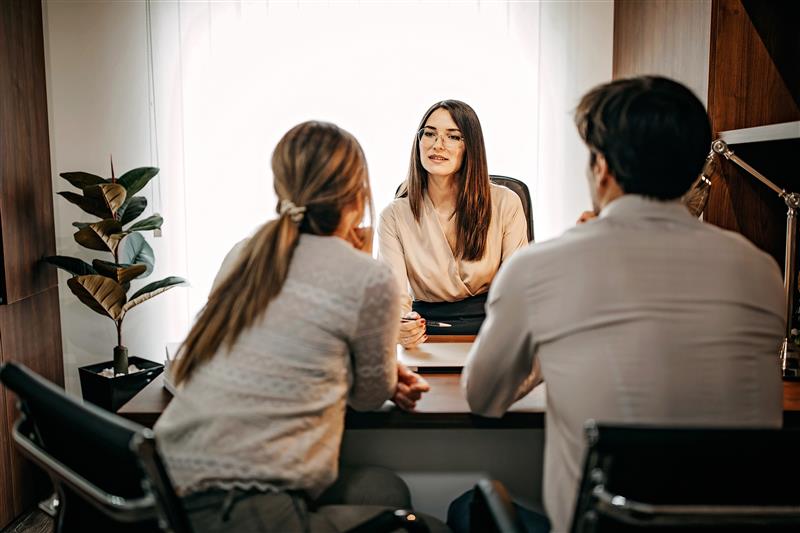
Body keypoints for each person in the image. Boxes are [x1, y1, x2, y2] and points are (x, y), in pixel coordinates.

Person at [455, 76, 785, 533]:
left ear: (602, 168)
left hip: (600, 525)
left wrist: (548, 352)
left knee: (466, 507)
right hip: (729, 523)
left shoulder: (540, 267)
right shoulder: (762, 271)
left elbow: (484, 398)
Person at [154, 121, 444, 532]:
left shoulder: (249, 251)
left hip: (168, 486)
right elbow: (368, 398)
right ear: (357, 191)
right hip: (243, 506)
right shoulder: (366, 276)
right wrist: (380, 373)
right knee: (432, 527)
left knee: (383, 491)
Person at [379, 100, 529, 346]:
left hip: (493, 329)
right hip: (425, 332)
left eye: (453, 137)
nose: (438, 145)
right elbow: (393, 298)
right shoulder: (394, 216)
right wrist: (400, 326)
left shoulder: (506, 203)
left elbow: (516, 289)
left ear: (470, 146)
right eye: (429, 133)